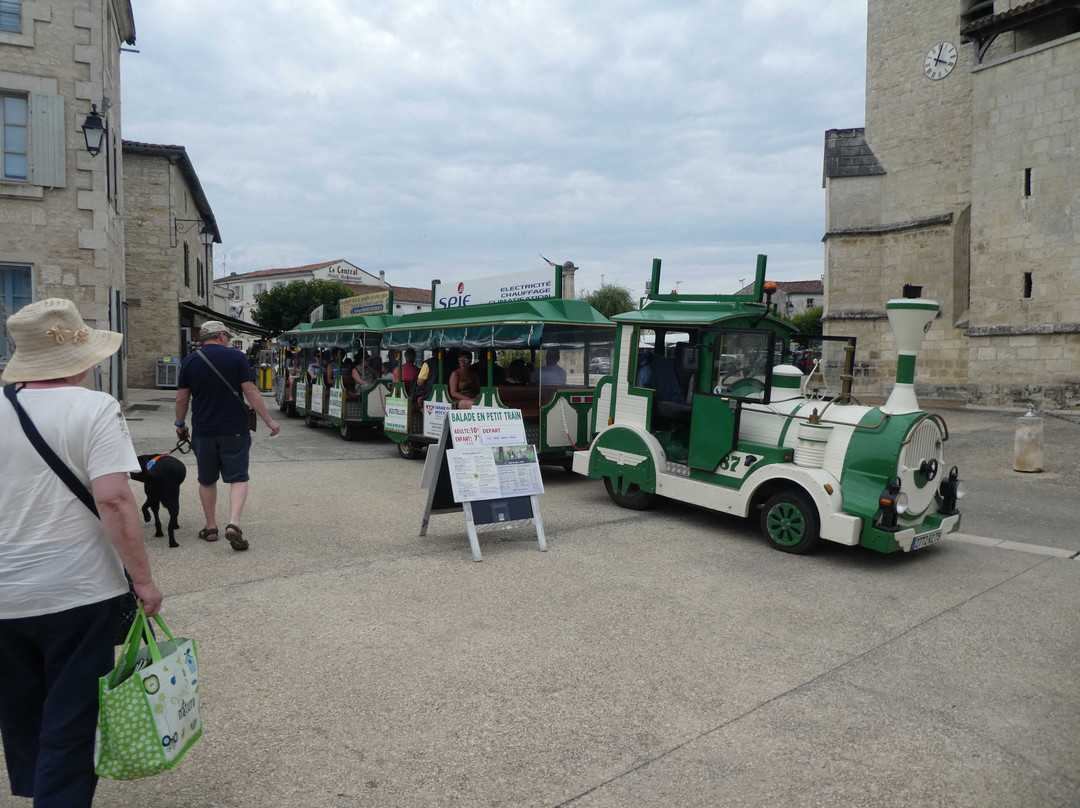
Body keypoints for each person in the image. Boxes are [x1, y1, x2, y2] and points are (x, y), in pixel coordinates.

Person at [0, 298, 164, 807]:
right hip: (78, 589)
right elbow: (115, 500)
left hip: (5, 590)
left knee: (21, 707)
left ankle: (35, 789)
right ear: (81, 357)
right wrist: (143, 580)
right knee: (71, 716)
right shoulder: (95, 408)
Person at [174, 321, 280, 552]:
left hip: (203, 429)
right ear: (222, 336)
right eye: (228, 336)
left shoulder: (190, 361)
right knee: (238, 477)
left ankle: (211, 528)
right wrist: (269, 421)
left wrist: (180, 425)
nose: (229, 340)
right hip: (235, 428)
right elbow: (251, 391)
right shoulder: (237, 358)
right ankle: (233, 523)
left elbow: (182, 399)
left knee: (207, 479)